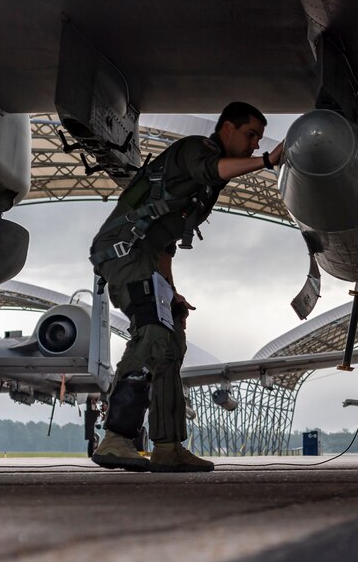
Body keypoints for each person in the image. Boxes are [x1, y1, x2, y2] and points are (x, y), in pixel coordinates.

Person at [88, 102, 282, 472]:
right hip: (123, 252)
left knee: (172, 343)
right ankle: (116, 438)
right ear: (226, 128)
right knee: (151, 336)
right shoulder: (197, 151)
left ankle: (167, 446)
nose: (255, 144)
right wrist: (269, 162)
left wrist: (170, 292)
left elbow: (166, 243)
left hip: (148, 256)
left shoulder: (205, 187)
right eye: (250, 134)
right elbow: (216, 168)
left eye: (258, 138)